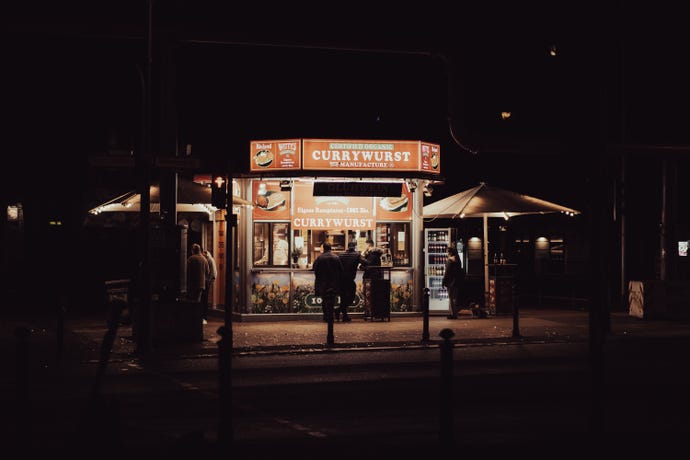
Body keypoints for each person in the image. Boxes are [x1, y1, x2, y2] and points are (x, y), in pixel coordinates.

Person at [312, 241, 343, 323]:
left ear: (324, 248)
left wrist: (319, 279)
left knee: (324, 300)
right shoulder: (336, 257)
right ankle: (331, 316)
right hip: (334, 283)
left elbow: (315, 269)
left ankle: (326, 316)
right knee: (332, 299)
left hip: (323, 283)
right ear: (331, 248)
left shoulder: (319, 258)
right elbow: (341, 270)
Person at [337, 241, 365, 322]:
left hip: (341, 280)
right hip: (350, 280)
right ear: (355, 247)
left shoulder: (341, 255)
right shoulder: (357, 255)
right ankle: (341, 313)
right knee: (350, 297)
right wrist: (362, 267)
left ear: (347, 246)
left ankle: (341, 313)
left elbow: (336, 265)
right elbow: (366, 262)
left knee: (343, 298)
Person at [442, 245, 465, 319]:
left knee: (451, 298)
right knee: (455, 298)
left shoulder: (450, 261)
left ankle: (453, 314)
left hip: (450, 282)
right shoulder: (458, 260)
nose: (446, 253)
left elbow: (447, 272)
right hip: (457, 281)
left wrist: (443, 281)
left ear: (450, 252)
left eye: (447, 252)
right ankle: (455, 314)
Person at [187, 243, 209, 307]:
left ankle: (192, 315)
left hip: (192, 283)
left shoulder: (191, 259)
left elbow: (187, 271)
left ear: (193, 250)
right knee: (198, 300)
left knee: (191, 301)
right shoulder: (204, 259)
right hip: (201, 284)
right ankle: (197, 314)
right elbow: (207, 272)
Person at [201, 247, 217, 324]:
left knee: (204, 299)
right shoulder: (209, 259)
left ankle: (204, 317)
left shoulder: (209, 260)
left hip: (207, 281)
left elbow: (212, 272)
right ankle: (204, 316)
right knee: (204, 299)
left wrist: (209, 281)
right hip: (207, 281)